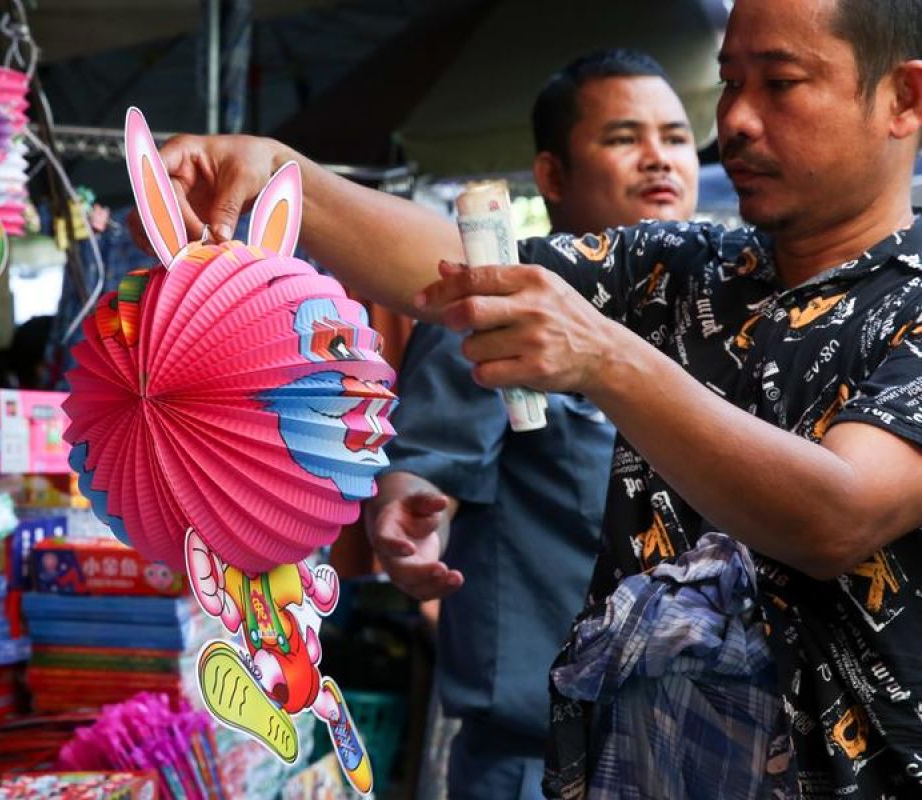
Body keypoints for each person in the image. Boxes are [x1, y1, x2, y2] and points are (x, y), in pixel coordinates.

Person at [147, 0, 922, 794]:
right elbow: (461, 268)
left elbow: (837, 516)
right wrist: (286, 172)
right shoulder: (690, 267)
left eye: (782, 83)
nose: (739, 121)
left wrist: (607, 359)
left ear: (903, 99)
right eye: (729, 83)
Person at [365, 49, 698, 800]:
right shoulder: (495, 313)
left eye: (676, 138)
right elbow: (427, 471)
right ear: (551, 178)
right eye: (623, 138)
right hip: (543, 765)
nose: (659, 160)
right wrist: (410, 514)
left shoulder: (717, 330)